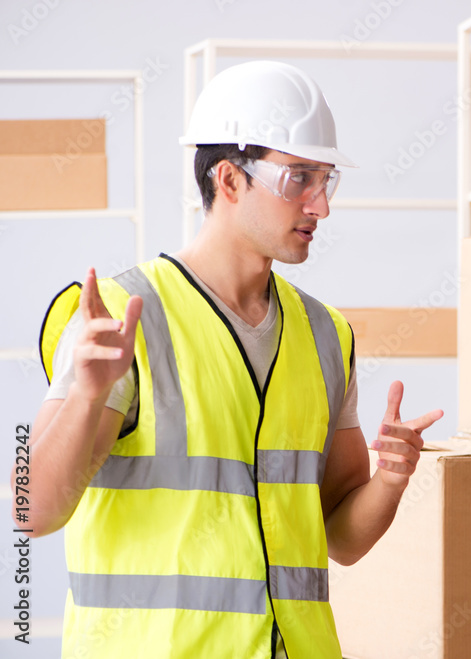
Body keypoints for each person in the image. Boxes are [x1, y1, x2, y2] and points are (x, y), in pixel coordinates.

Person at [13, 60, 442, 659]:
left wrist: (392, 480)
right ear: (229, 180)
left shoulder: (325, 334)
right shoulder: (123, 317)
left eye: (327, 180)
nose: (321, 206)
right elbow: (27, 508)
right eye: (299, 178)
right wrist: (86, 396)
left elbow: (340, 539)